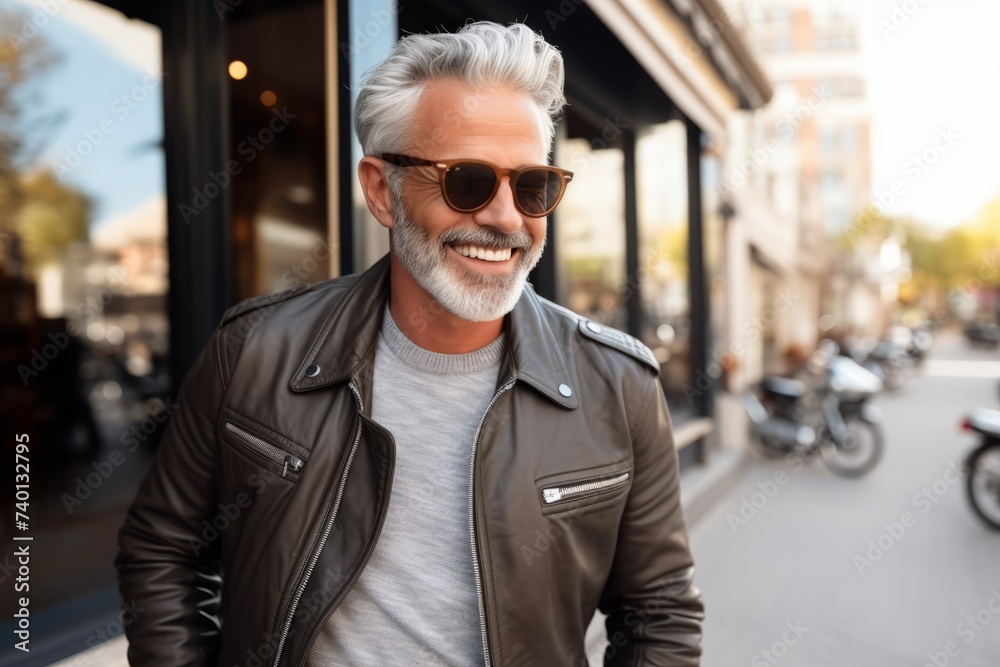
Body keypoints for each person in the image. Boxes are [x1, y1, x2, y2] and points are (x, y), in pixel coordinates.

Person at [116, 21, 704, 666]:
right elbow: (161, 550)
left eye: (532, 186)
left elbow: (659, 613)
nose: (506, 218)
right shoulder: (254, 351)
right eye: (468, 181)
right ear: (381, 190)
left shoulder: (618, 384)